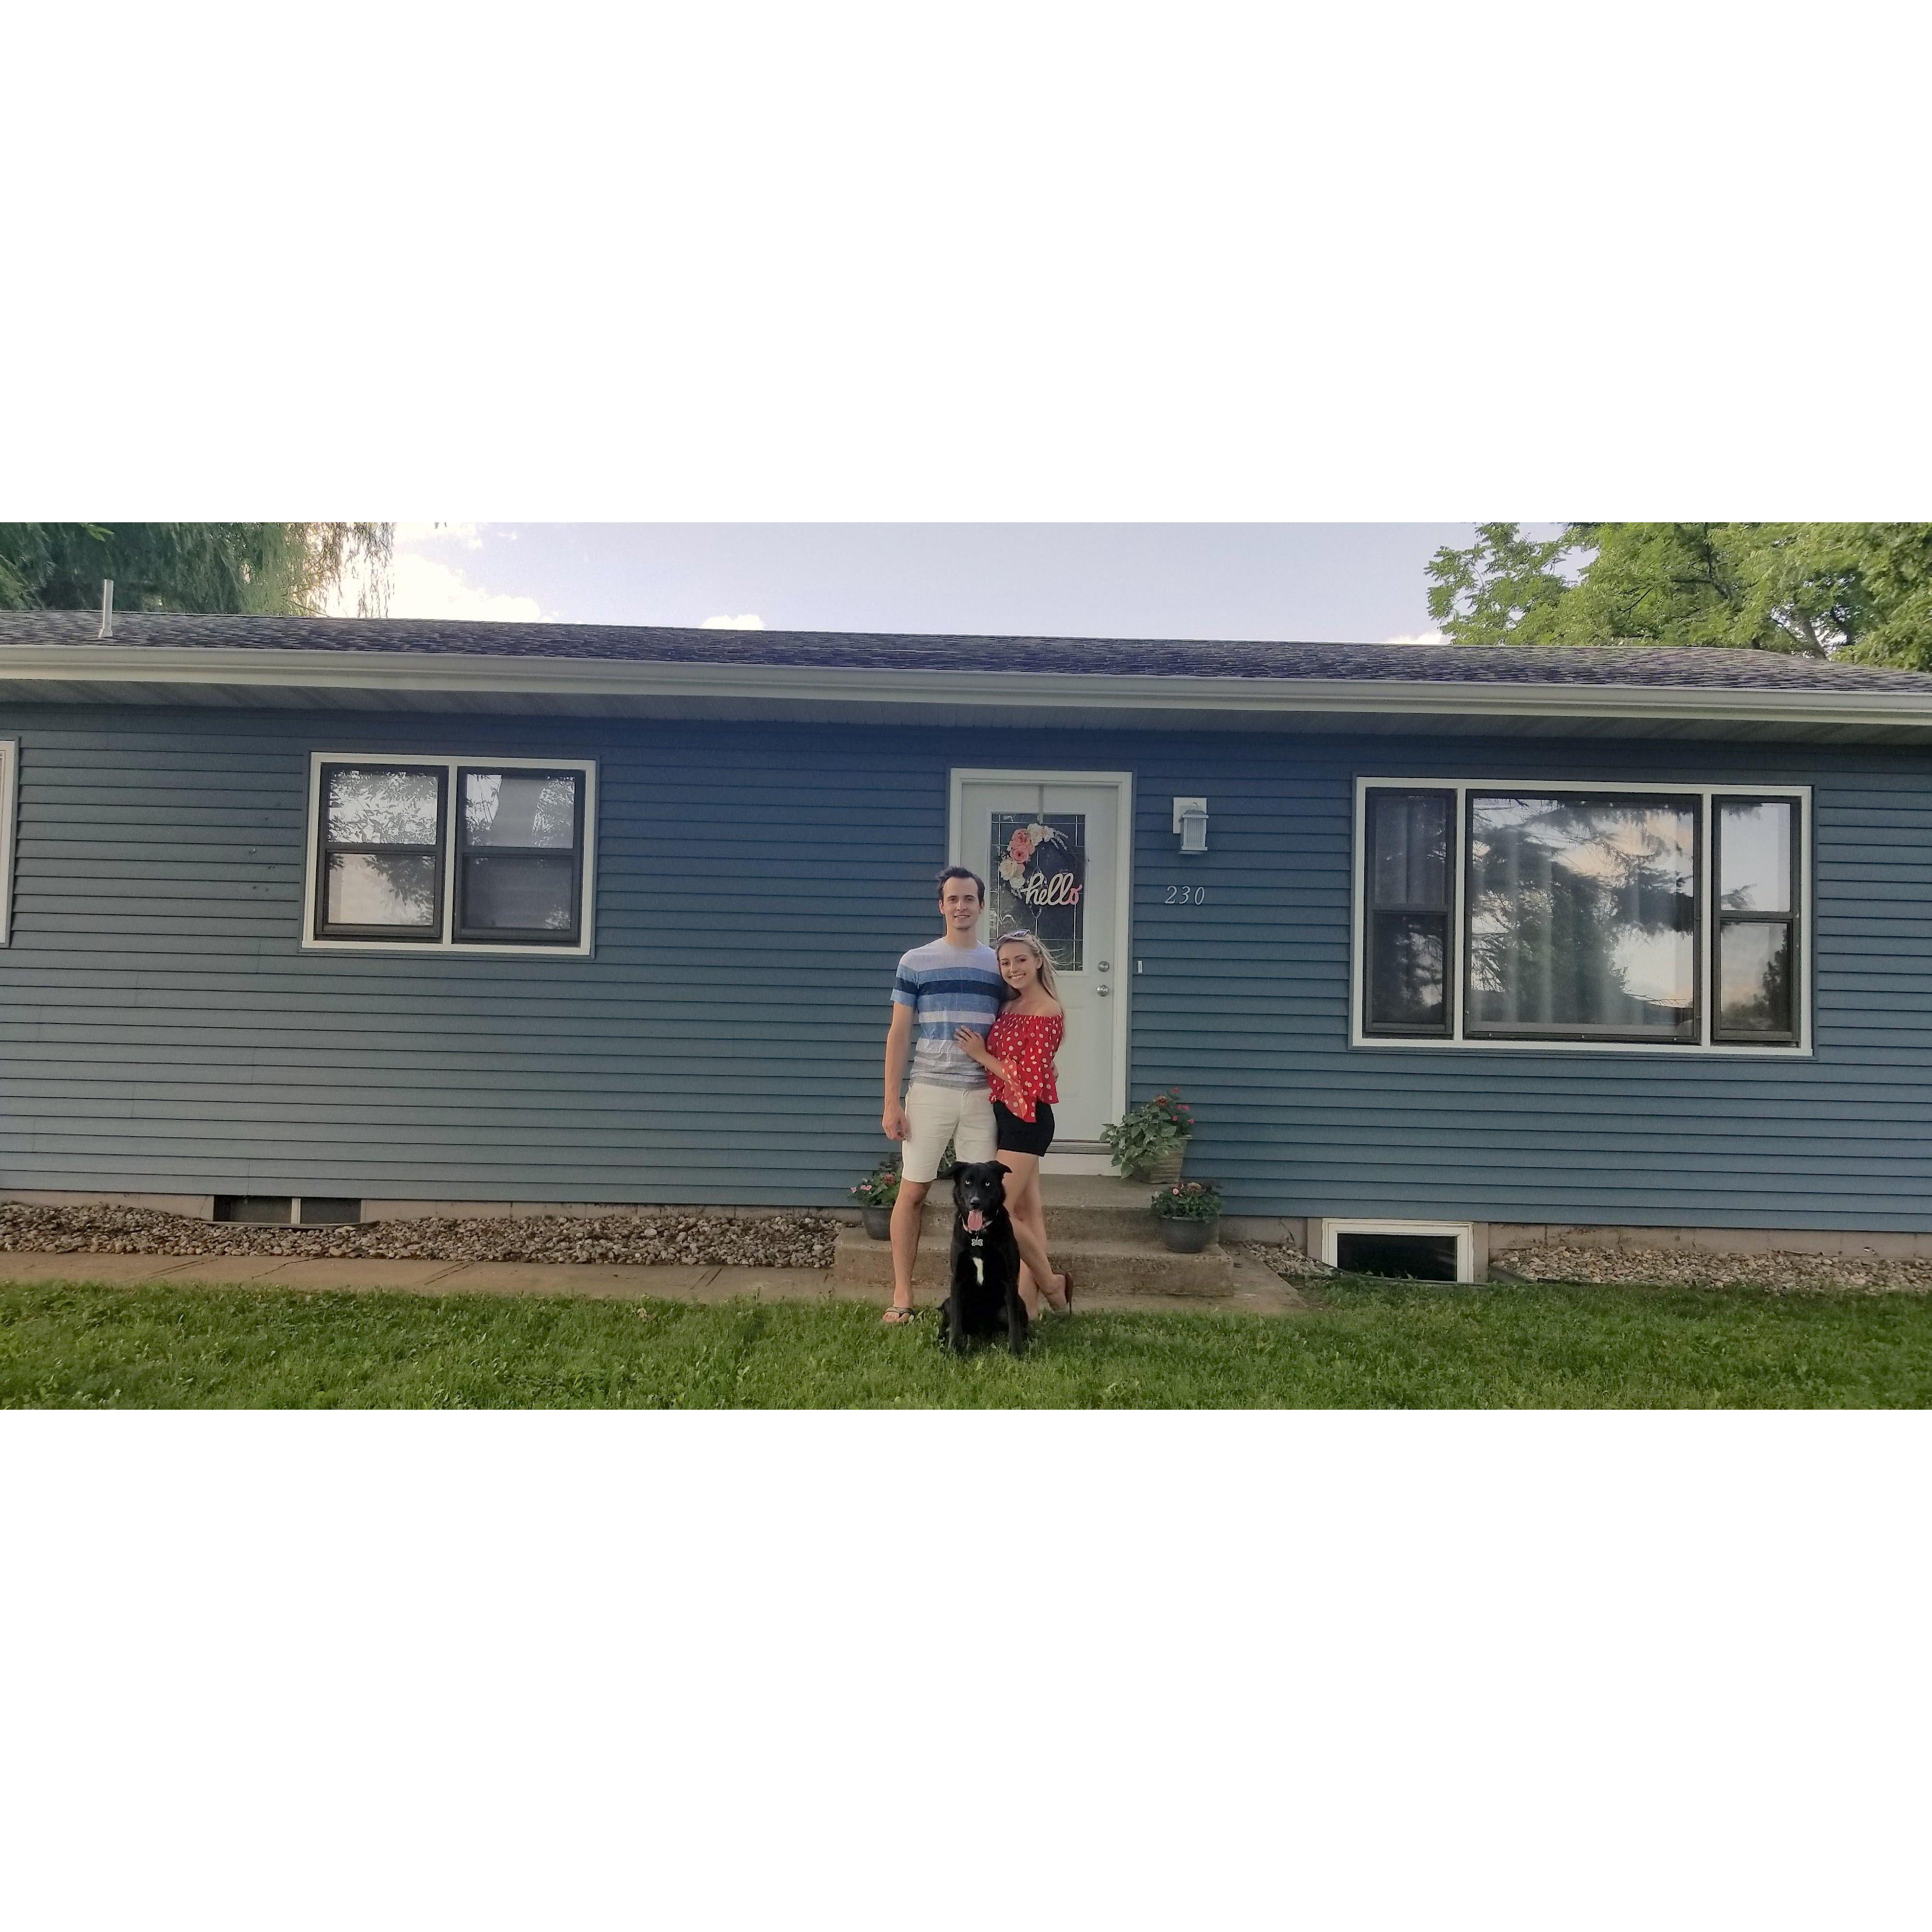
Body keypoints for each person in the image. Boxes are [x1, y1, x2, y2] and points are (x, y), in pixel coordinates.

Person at [879, 867, 1005, 1323]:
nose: (961, 906)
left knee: (982, 1204)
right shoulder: (916, 961)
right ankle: (902, 1297)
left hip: (981, 1098)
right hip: (930, 1091)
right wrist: (892, 1101)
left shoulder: (998, 964)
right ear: (941, 905)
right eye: (953, 899)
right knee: (912, 1194)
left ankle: (975, 1301)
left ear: (981, 905)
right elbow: (898, 1033)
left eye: (969, 899)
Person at [954, 931, 1073, 1318]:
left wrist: (979, 1054)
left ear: (1038, 961)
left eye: (1020, 960)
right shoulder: (1012, 1006)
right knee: (1028, 1212)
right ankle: (1031, 1304)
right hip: (1005, 1112)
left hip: (1028, 1117)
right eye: (1005, 963)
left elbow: (1030, 1078)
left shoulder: (1047, 1010)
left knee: (1000, 1209)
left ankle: (1053, 1286)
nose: (1013, 969)